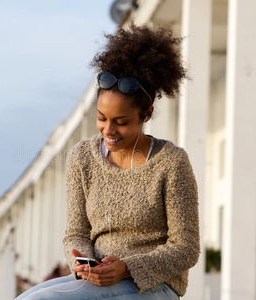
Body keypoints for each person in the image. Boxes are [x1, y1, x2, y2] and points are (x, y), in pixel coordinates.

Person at [15, 24, 199, 300]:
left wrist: (127, 268)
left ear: (146, 114)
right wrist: (84, 264)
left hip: (154, 286)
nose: (108, 130)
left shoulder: (171, 163)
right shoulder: (82, 157)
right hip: (95, 282)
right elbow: (76, 233)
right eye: (101, 118)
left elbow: (186, 247)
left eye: (121, 122)